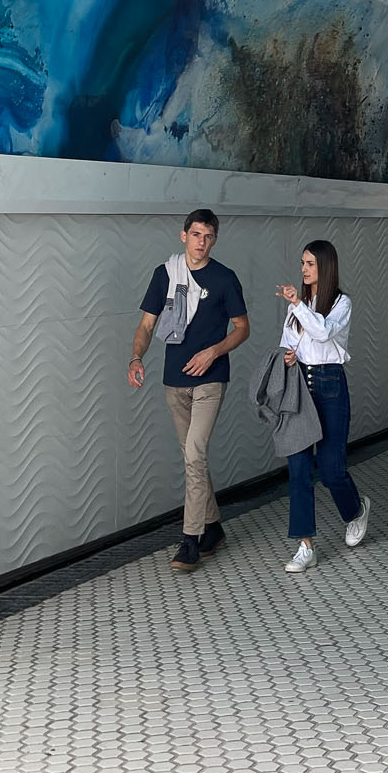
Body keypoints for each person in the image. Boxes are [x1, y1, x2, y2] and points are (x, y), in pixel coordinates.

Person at [127, 208, 249, 573]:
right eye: (196, 234)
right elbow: (147, 325)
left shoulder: (225, 278)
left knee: (194, 453)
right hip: (174, 380)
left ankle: (190, 540)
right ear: (184, 236)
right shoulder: (165, 274)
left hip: (211, 379)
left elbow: (242, 328)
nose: (201, 242)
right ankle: (213, 528)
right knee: (193, 458)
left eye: (208, 236)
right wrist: (135, 358)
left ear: (215, 239)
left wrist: (213, 351)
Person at [277, 239, 371, 572]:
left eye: (310, 264)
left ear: (325, 267)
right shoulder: (296, 306)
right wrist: (288, 355)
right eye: (302, 263)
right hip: (301, 385)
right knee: (299, 468)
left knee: (331, 469)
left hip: (330, 385)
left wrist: (299, 305)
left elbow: (322, 333)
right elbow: (288, 341)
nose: (303, 269)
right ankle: (305, 546)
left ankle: (355, 511)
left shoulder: (341, 303)